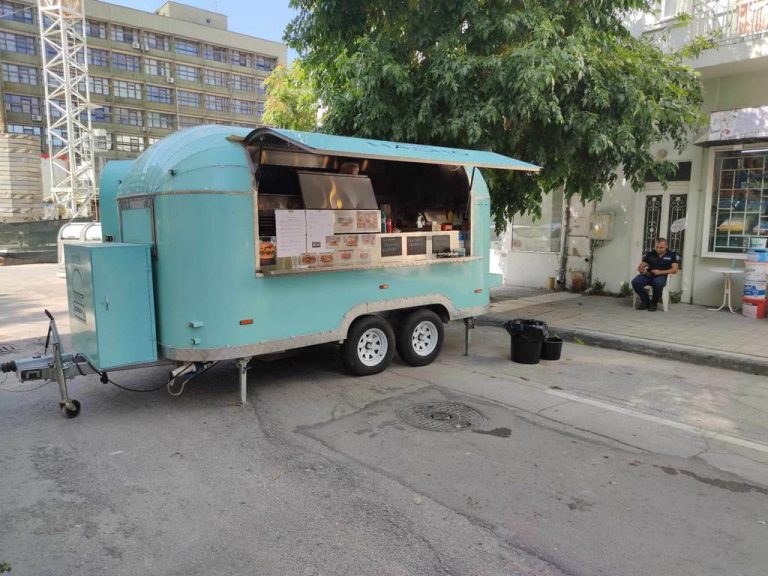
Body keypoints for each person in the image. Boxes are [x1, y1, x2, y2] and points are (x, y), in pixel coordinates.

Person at [631, 238, 679, 311]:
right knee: (635, 282)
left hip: (661, 276)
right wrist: (643, 271)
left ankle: (653, 302)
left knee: (657, 283)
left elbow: (675, 270)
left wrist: (660, 272)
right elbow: (640, 266)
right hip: (649, 275)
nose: (658, 249)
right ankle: (645, 301)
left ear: (666, 246)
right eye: (657, 247)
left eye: (661, 247)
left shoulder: (671, 255)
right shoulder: (650, 254)